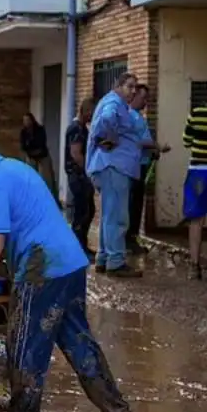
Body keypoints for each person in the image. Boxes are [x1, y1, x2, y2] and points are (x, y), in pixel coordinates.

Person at [0, 122, 137, 412]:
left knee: (23, 346)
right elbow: (14, 236)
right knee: (78, 342)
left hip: (42, 267)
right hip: (70, 263)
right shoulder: (15, 169)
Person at [87, 72, 142, 277]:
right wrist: (107, 137)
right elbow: (107, 120)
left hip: (110, 167)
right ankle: (116, 261)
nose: (133, 91)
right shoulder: (114, 103)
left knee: (109, 215)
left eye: (135, 88)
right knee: (118, 217)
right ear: (118, 86)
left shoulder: (113, 102)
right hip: (113, 167)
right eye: (130, 86)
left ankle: (104, 258)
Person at [181, 80, 207, 281]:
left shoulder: (196, 114)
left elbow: (186, 141)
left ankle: (194, 267)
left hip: (199, 173)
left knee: (196, 220)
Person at [128, 84, 170, 254]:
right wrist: (156, 146)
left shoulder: (138, 116)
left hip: (142, 163)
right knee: (133, 205)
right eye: (143, 98)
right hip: (134, 166)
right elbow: (136, 141)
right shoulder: (130, 117)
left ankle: (132, 238)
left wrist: (153, 152)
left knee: (137, 204)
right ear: (135, 96)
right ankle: (129, 240)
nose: (146, 102)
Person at [65, 98, 96, 256]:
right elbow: (76, 153)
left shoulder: (82, 128)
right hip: (78, 176)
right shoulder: (76, 129)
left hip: (80, 175)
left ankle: (81, 245)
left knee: (87, 211)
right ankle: (78, 248)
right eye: (91, 112)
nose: (92, 117)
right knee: (82, 212)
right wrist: (88, 171)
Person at [20, 113, 58, 203]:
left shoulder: (40, 129)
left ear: (32, 120)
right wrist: (30, 149)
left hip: (42, 155)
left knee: (47, 178)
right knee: (30, 177)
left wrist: (31, 146)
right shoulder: (23, 132)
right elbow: (23, 146)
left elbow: (41, 143)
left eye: (28, 120)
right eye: (24, 121)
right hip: (31, 156)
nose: (26, 122)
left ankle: (51, 199)